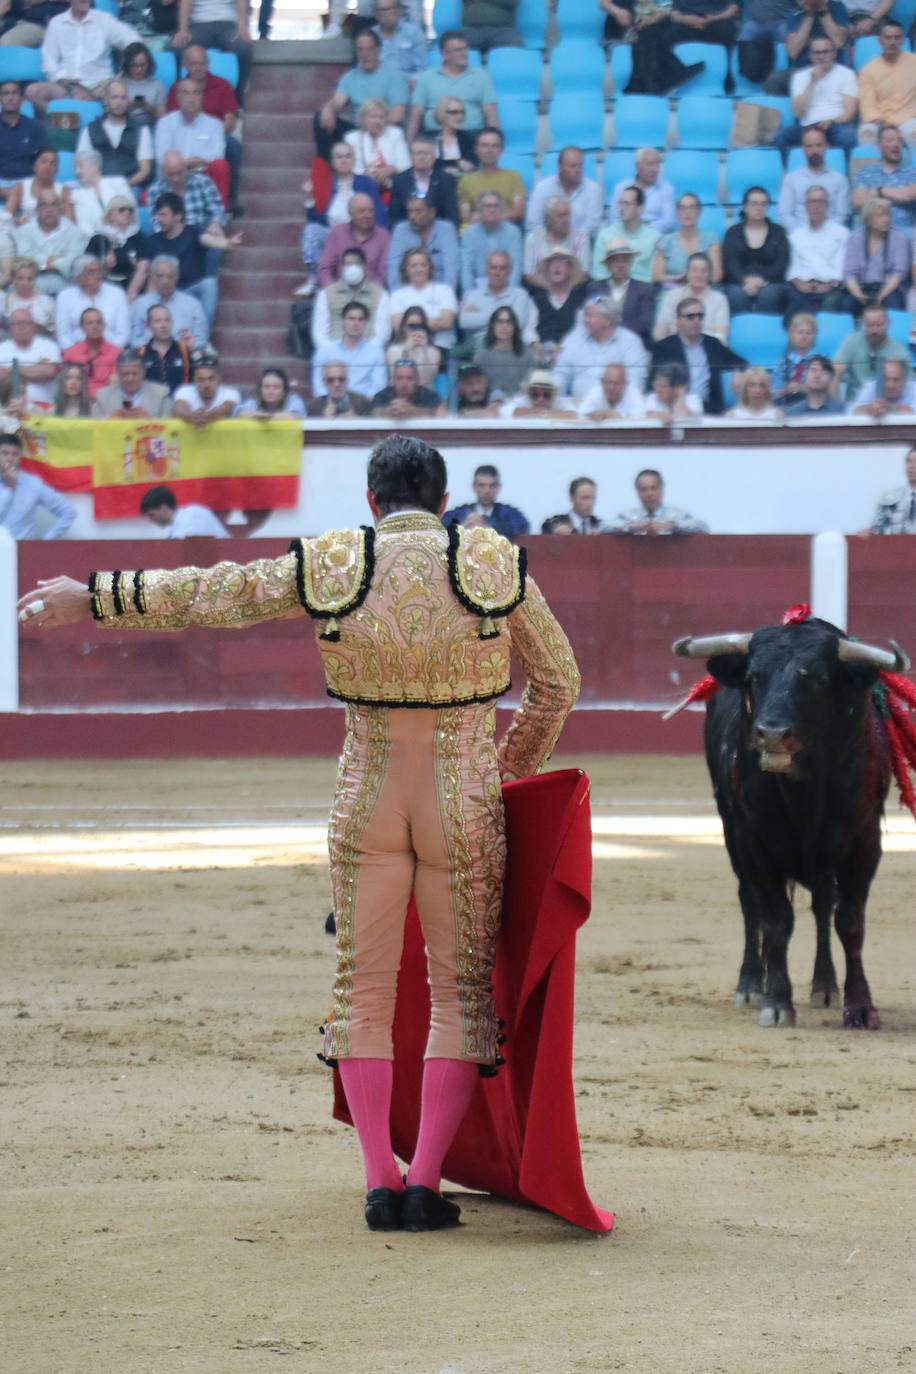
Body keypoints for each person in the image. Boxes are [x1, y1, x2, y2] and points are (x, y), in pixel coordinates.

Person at [17, 434, 581, 1234]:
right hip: (462, 794)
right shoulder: (493, 560)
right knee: (460, 994)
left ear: (370, 499)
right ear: (445, 497)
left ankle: (379, 1182)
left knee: (365, 986)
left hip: (368, 796)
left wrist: (96, 595)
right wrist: (507, 772)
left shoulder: (333, 559)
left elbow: (219, 593)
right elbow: (559, 683)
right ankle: (425, 1184)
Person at [137, 191, 241, 329]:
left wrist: (228, 243)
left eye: (163, 214)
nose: (159, 219)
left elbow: (209, 240)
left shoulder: (193, 232)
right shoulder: (154, 241)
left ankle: (201, 339)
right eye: (158, 214)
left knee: (209, 284)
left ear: (178, 216)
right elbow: (149, 277)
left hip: (192, 289)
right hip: (165, 291)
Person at [27, 0, 140, 116]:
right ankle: (63, 122)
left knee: (121, 93)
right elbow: (49, 63)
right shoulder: (56, 23)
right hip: (67, 84)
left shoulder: (104, 20)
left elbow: (135, 42)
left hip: (100, 84)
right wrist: (69, 84)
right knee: (33, 91)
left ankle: (100, 125)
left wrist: (124, 71)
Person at [166, 44, 241, 209]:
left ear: (208, 64)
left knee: (232, 145)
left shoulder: (223, 85)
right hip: (184, 135)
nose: (198, 68)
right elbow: (171, 121)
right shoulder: (176, 89)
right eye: (193, 64)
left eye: (202, 63)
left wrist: (211, 135)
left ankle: (230, 200)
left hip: (216, 134)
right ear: (185, 65)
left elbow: (230, 118)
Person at [316, 28, 408, 159]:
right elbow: (337, 101)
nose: (365, 54)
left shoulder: (394, 76)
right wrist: (328, 108)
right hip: (356, 128)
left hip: (382, 126)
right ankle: (323, 171)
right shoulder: (349, 77)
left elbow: (398, 115)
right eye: (360, 49)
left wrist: (373, 125)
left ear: (378, 50)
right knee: (321, 117)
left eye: (370, 49)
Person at [649, 295, 748, 414]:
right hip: (674, 409)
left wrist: (737, 371)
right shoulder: (663, 347)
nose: (696, 320)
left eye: (700, 316)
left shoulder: (713, 344)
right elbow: (653, 383)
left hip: (709, 411)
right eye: (690, 317)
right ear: (678, 320)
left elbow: (741, 362)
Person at [406, 30, 498, 142]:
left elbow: (491, 115)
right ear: (444, 54)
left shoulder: (481, 76)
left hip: (471, 137)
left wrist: (494, 142)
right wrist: (409, 146)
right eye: (457, 50)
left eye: (465, 48)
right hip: (435, 137)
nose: (463, 53)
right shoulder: (426, 78)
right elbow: (416, 115)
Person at [774, 36, 858, 154]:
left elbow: (849, 113)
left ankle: (845, 170)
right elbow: (798, 113)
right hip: (806, 126)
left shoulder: (847, 74)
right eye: (816, 53)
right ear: (810, 55)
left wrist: (831, 121)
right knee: (781, 136)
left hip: (834, 125)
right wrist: (812, 82)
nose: (821, 56)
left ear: (834, 53)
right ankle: (787, 171)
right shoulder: (800, 77)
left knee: (847, 136)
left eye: (825, 52)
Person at [154, 78, 229, 208]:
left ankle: (219, 218)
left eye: (196, 93)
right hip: (174, 176)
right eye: (186, 93)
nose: (191, 98)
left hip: (203, 175)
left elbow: (218, 154)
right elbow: (161, 158)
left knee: (220, 165)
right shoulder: (165, 123)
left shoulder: (215, 124)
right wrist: (189, 163)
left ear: (202, 97)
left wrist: (193, 161)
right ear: (177, 98)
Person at [554, 298, 647, 402]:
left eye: (590, 316)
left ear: (607, 320)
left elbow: (636, 382)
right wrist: (553, 399)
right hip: (577, 407)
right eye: (585, 315)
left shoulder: (630, 342)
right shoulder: (573, 339)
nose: (586, 320)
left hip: (617, 409)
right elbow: (560, 374)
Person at [171, 0, 253, 109]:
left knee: (244, 48)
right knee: (179, 47)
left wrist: (242, 26)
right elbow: (186, 2)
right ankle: (180, 95)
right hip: (199, 24)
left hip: (228, 23)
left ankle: (238, 94)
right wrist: (183, 30)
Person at [721, 185, 789, 313]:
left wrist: (760, 280)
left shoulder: (778, 232)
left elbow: (781, 264)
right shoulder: (732, 233)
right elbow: (730, 264)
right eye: (754, 203)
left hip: (771, 282)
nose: (759, 207)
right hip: (738, 282)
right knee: (736, 295)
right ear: (745, 206)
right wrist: (745, 280)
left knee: (769, 294)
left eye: (763, 204)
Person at [784, 184, 850, 313]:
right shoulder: (795, 236)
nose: (816, 206)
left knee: (831, 304)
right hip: (802, 287)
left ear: (827, 206)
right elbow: (792, 268)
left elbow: (842, 267)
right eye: (812, 202)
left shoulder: (842, 233)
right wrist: (800, 284)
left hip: (832, 287)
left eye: (820, 201)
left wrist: (830, 284)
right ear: (806, 207)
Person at [76, 80, 153, 189]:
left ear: (128, 101)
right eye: (115, 97)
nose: (119, 102)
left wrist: (123, 185)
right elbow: (81, 165)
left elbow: (145, 169)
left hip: (130, 187)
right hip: (96, 187)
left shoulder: (141, 130)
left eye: (123, 98)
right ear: (106, 100)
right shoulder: (90, 129)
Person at [313, 247, 391, 349]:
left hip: (368, 353)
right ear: (341, 268)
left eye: (357, 264)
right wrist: (332, 352)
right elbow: (319, 333)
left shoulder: (381, 294)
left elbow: (382, 333)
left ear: (365, 267)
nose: (352, 268)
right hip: (333, 354)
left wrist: (368, 352)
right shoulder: (326, 294)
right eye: (348, 264)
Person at [776, 125, 851, 230]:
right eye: (809, 146)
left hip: (831, 238)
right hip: (798, 237)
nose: (814, 150)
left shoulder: (840, 180)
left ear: (826, 147)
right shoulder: (791, 179)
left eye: (818, 145)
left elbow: (842, 215)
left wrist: (825, 234)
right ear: (803, 149)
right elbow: (784, 215)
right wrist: (803, 235)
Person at [843, 195, 910, 313]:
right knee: (846, 304)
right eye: (880, 216)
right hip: (862, 288)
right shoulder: (855, 238)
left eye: (887, 215)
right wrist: (859, 295)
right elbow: (849, 273)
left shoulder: (899, 238)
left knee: (894, 304)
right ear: (868, 219)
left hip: (889, 289)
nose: (886, 219)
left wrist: (881, 296)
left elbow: (899, 273)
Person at [0, 430, 73, 537]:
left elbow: (68, 512)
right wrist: (8, 488)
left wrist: (46, 541)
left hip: (23, 549)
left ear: (20, 456)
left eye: (15, 454)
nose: (10, 459)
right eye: (5, 453)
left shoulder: (32, 484)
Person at [130, 254, 209, 350]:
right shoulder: (140, 304)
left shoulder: (192, 304)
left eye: (170, 276)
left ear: (177, 277)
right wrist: (155, 350)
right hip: (149, 359)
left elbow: (201, 340)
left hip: (184, 358)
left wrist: (187, 346)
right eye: (160, 276)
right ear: (152, 277)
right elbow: (134, 340)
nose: (165, 281)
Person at [312, 299, 388, 399]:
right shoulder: (324, 351)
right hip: (329, 405)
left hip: (365, 407)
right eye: (351, 319)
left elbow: (379, 387)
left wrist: (361, 404)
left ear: (366, 323)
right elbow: (319, 386)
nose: (356, 323)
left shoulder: (376, 352)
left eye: (360, 319)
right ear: (343, 322)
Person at [857, 17, 916, 145]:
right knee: (866, 135)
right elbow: (868, 106)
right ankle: (873, 166)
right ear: (880, 41)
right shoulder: (868, 70)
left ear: (902, 40)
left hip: (909, 118)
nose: (892, 42)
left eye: (896, 37)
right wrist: (883, 125)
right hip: (879, 119)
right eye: (888, 38)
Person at [832, 302, 909, 398]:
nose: (874, 331)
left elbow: (908, 386)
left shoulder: (900, 352)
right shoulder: (851, 341)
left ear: (888, 323)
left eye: (879, 325)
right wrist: (836, 407)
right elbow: (834, 373)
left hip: (886, 405)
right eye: (870, 325)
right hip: (854, 404)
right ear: (863, 323)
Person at [388, 245, 458, 350]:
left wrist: (411, 324)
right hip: (408, 348)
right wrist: (433, 321)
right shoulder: (397, 295)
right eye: (413, 266)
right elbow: (398, 326)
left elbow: (447, 322)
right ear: (405, 270)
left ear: (429, 267)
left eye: (423, 265)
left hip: (440, 347)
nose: (419, 269)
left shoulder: (444, 290)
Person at [526, 248, 588, 365]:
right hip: (542, 357)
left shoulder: (580, 300)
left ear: (569, 269)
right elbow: (529, 330)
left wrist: (562, 350)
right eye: (552, 262)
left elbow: (582, 332)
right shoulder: (537, 299)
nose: (556, 266)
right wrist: (536, 343)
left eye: (561, 262)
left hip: (572, 358)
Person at [55, 255, 130, 351]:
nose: (98, 276)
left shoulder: (117, 294)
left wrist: (109, 354)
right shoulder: (65, 296)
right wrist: (75, 354)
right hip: (76, 354)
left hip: (111, 354)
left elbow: (123, 334)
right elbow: (63, 335)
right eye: (91, 272)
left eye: (99, 271)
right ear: (78, 278)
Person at [317, 191, 391, 289]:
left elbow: (384, 274)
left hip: (371, 295)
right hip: (338, 293)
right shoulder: (337, 233)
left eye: (371, 211)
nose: (368, 215)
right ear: (350, 213)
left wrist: (366, 291)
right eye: (362, 211)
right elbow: (325, 270)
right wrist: (334, 291)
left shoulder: (383, 236)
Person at [592, 237, 657, 346]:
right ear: (608, 264)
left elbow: (645, 323)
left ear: (630, 262)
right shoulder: (595, 288)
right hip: (601, 345)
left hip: (633, 345)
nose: (620, 265)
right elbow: (592, 315)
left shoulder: (644, 289)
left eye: (624, 259)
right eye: (615, 260)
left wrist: (615, 332)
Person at [653, 251, 730, 344]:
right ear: (687, 272)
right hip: (675, 348)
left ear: (709, 274)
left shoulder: (719, 299)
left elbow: (721, 336)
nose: (699, 275)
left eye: (704, 271)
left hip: (707, 348)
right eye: (694, 270)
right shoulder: (671, 296)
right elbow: (660, 330)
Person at [851, 122, 916, 231]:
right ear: (879, 146)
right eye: (890, 140)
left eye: (899, 140)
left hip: (903, 231)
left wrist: (879, 192)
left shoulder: (911, 172)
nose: (896, 144)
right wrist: (898, 194)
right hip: (872, 230)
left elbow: (910, 194)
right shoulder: (866, 172)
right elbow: (858, 202)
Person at [526, 147, 602, 239]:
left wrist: (571, 242)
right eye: (573, 166)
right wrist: (550, 241)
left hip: (581, 245)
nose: (578, 170)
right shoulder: (542, 188)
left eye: (580, 165)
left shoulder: (593, 189)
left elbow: (592, 227)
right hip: (547, 245)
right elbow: (533, 223)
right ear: (560, 167)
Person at [387, 195, 460, 292]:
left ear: (432, 213)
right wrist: (398, 296)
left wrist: (445, 296)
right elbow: (393, 268)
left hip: (439, 292)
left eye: (418, 211)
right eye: (410, 211)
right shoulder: (400, 230)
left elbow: (451, 271)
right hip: (408, 293)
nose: (412, 217)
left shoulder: (446, 230)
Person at [592, 185, 661, 285]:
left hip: (642, 293)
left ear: (640, 208)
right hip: (610, 291)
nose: (621, 208)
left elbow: (654, 276)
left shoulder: (655, 237)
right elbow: (598, 274)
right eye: (620, 204)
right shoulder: (605, 235)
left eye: (627, 204)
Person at [146, 150, 228, 232]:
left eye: (179, 173)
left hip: (202, 235)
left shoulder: (202, 182)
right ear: (163, 173)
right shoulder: (155, 190)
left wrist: (216, 224)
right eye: (171, 174)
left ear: (185, 169)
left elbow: (218, 211)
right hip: (171, 238)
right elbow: (155, 223)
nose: (176, 178)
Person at [653, 191, 723, 288]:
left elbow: (716, 275)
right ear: (676, 213)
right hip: (673, 291)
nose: (687, 212)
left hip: (704, 290)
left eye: (692, 208)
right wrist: (679, 277)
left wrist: (696, 282)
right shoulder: (666, 241)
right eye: (682, 208)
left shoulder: (711, 238)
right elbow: (656, 276)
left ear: (699, 212)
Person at [457, 127, 525, 224]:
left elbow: (519, 212)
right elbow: (465, 216)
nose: (489, 150)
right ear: (476, 149)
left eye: (495, 146)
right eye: (484, 145)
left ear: (501, 150)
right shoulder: (466, 181)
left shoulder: (513, 176)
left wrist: (490, 219)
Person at [610, 468, 708, 535]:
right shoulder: (627, 516)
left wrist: (672, 526)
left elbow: (703, 527)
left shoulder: (676, 514)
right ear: (638, 492)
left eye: (654, 488)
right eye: (644, 489)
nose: (649, 493)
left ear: (662, 489)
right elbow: (604, 527)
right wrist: (632, 526)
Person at [345, 98, 411, 199]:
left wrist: (388, 170)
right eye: (373, 117)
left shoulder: (395, 134)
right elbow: (348, 167)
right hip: (361, 190)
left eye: (381, 117)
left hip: (392, 189)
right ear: (363, 119)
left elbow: (406, 165)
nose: (378, 121)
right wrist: (364, 173)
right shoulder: (352, 138)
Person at [388, 134, 459, 225]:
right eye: (418, 153)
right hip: (409, 230)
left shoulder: (446, 180)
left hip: (438, 231)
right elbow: (394, 216)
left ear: (434, 157)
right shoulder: (400, 180)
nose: (422, 157)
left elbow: (451, 214)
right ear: (411, 157)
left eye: (426, 153)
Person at [459, 191, 522, 293]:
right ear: (479, 210)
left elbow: (515, 267)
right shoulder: (469, 233)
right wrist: (469, 296)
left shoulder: (513, 232)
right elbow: (466, 269)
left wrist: (509, 294)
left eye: (496, 206)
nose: (492, 210)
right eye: (487, 206)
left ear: (502, 210)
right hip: (478, 288)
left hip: (506, 286)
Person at [522, 196, 590, 289]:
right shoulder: (532, 239)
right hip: (541, 291)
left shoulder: (581, 238)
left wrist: (563, 291)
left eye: (568, 214)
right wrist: (554, 289)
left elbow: (583, 275)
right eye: (561, 216)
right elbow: (529, 275)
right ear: (548, 219)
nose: (566, 220)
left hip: (573, 292)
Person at [85, 194, 147, 292]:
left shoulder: (138, 236)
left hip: (134, 288)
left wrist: (130, 295)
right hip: (104, 288)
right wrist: (104, 265)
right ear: (110, 215)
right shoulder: (98, 238)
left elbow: (144, 268)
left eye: (130, 210)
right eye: (122, 209)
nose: (127, 213)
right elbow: (87, 269)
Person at [442, 463, 529, 534]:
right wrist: (460, 528)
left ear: (498, 487)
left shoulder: (508, 512)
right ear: (474, 486)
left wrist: (487, 527)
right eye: (482, 485)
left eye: (492, 486)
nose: (487, 490)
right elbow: (439, 525)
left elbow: (523, 526)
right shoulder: (461, 512)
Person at [472, 304, 536, 398]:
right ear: (492, 326)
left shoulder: (526, 352)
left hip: (519, 401)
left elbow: (528, 383)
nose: (504, 326)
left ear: (515, 326)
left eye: (509, 322)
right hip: (489, 403)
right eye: (500, 322)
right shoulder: (482, 353)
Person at [0, 79, 50, 198]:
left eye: (14, 93)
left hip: (28, 183)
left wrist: (26, 189)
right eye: (5, 94)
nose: (10, 98)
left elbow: (45, 159)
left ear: (22, 100)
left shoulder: (35, 126)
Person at [0, 306, 60, 406]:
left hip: (43, 408)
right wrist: (34, 368)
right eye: (16, 324)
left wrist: (13, 369)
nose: (20, 327)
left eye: (25, 323)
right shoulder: (1, 348)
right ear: (10, 328)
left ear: (34, 326)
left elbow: (49, 371)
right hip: (6, 408)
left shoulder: (48, 346)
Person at [608, 148, 676, 234]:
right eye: (650, 164)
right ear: (637, 166)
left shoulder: (666, 188)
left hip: (655, 238)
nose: (654, 169)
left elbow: (668, 221)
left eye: (657, 164)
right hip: (624, 236)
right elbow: (613, 218)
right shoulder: (621, 187)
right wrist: (629, 231)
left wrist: (642, 231)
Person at [61, 305, 121, 399]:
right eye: (90, 323)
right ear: (82, 327)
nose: (95, 326)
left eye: (99, 322)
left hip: (104, 403)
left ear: (104, 325)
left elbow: (113, 387)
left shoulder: (117, 352)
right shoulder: (70, 353)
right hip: (76, 401)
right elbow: (65, 384)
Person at [92, 348, 173, 417]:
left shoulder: (161, 394)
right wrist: (109, 422)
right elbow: (93, 428)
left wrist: (149, 422)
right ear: (118, 373)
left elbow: (170, 428)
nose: (130, 378)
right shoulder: (103, 396)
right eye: (125, 374)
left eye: (135, 374)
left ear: (144, 372)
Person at [137, 303, 198, 394]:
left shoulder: (185, 350)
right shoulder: (140, 353)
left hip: (179, 404)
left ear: (172, 322)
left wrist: (193, 349)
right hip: (150, 405)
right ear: (148, 325)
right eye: (158, 321)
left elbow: (202, 375)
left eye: (167, 320)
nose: (164, 325)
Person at [69, 153, 132, 240]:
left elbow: (131, 214)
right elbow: (83, 226)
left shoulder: (118, 183)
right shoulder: (77, 195)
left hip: (126, 237)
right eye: (75, 167)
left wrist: (120, 236)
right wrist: (105, 238)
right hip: (97, 243)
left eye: (80, 166)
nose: (76, 171)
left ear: (95, 166)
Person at [5, 146, 71, 224]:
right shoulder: (21, 187)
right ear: (34, 165)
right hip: (25, 229)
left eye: (52, 163)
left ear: (56, 170)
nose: (47, 167)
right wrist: (18, 221)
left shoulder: (63, 190)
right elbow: (6, 216)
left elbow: (69, 222)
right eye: (44, 162)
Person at [139, 483, 228, 536]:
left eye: (152, 515)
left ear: (164, 509)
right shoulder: (191, 513)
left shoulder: (192, 516)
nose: (151, 520)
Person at [172, 355, 240, 426]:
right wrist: (190, 417)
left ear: (219, 379)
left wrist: (206, 417)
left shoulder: (230, 392)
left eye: (211, 379)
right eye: (201, 379)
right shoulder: (184, 391)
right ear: (194, 381)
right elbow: (179, 409)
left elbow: (226, 409)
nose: (206, 385)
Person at [861, 446, 916, 532]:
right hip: (897, 544)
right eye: (908, 461)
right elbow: (877, 527)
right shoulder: (891, 497)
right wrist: (870, 531)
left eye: (915, 462)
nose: (911, 466)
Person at [385, 306, 442, 387]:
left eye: (420, 326)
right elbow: (396, 377)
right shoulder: (393, 350)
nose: (416, 330)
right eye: (412, 326)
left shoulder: (433, 351)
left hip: (425, 392)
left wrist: (424, 351)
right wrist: (405, 352)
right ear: (404, 327)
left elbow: (429, 378)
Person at [770, 309, 817, 405]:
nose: (804, 336)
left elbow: (824, 389)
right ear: (791, 335)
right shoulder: (782, 364)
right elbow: (774, 392)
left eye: (808, 333)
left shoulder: (820, 362)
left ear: (814, 336)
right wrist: (787, 389)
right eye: (799, 332)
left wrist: (801, 387)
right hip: (787, 406)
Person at [372, 0, 427, 81]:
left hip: (407, 85)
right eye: (382, 10)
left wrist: (414, 81)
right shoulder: (370, 36)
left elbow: (421, 69)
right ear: (376, 14)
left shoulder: (414, 33)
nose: (386, 13)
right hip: (378, 85)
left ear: (398, 11)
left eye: (390, 8)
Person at [371, 357, 445, 416]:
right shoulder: (382, 395)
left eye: (409, 378)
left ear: (417, 380)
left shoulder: (430, 396)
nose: (404, 384)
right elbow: (375, 412)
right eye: (399, 378)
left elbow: (436, 413)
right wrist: (390, 411)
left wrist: (410, 410)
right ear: (393, 380)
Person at [577, 360, 647, 420]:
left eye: (617, 384)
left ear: (625, 384)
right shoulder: (596, 392)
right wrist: (592, 414)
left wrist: (615, 415)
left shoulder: (634, 393)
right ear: (602, 382)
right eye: (608, 382)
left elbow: (641, 415)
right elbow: (581, 413)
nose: (612, 387)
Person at [0, 255, 54, 333]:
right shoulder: (3, 302)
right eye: (20, 278)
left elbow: (51, 332)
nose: (25, 283)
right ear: (13, 279)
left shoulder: (47, 302)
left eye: (30, 279)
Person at [498, 368, 579, 420]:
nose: (541, 399)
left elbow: (574, 413)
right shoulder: (523, 400)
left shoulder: (558, 401)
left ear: (553, 394)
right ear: (529, 393)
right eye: (535, 395)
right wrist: (540, 412)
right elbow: (504, 411)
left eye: (547, 395)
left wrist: (541, 413)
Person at [430, 96, 477, 181]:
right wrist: (455, 163)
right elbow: (427, 164)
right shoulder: (429, 138)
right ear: (442, 113)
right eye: (454, 112)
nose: (460, 116)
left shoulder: (468, 139)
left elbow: (471, 165)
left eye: (462, 112)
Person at [851, 356, 916, 415]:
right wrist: (869, 408)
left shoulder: (914, 389)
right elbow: (851, 412)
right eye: (885, 379)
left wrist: (891, 408)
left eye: (896, 380)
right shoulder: (871, 387)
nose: (891, 385)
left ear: (904, 381)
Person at [304, 361, 372, 417]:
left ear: (347, 381)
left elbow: (371, 430)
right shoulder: (314, 405)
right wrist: (323, 421)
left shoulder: (362, 402)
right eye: (330, 380)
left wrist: (356, 421)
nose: (337, 384)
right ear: (324, 383)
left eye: (341, 379)